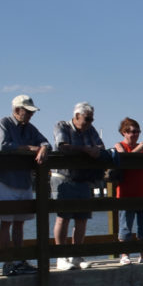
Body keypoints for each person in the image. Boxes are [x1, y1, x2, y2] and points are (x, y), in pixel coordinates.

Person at [0, 95, 51, 277]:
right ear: (17, 110)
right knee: (6, 222)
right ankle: (7, 262)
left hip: (24, 181)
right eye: (28, 112)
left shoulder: (30, 128)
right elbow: (2, 146)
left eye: (32, 112)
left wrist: (43, 148)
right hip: (6, 180)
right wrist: (29, 148)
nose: (31, 115)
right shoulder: (4, 123)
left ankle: (19, 260)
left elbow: (46, 142)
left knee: (19, 224)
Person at [52, 102, 105, 270]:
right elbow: (63, 147)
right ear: (76, 116)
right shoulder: (62, 126)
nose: (90, 122)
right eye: (87, 119)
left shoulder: (91, 130)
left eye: (92, 119)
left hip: (83, 179)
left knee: (82, 219)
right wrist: (87, 150)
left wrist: (96, 151)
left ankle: (76, 255)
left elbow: (100, 146)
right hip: (64, 178)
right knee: (63, 218)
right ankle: (61, 257)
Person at [114, 117, 143, 265]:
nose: (135, 134)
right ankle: (124, 254)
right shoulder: (119, 145)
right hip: (126, 192)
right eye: (131, 131)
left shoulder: (142, 148)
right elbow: (125, 159)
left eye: (137, 131)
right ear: (124, 132)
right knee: (125, 225)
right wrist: (140, 148)